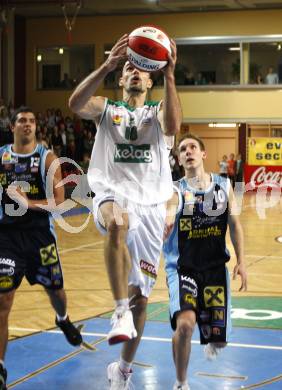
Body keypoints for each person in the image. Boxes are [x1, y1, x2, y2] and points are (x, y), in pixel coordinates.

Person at [69, 33, 182, 389]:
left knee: (143, 300)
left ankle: (122, 369)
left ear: (150, 78)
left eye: (140, 70)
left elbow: (174, 127)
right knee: (117, 222)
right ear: (121, 78)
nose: (134, 72)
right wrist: (107, 64)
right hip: (110, 193)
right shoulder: (106, 109)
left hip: (150, 206)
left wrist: (172, 75)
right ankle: (118, 312)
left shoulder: (158, 112)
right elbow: (75, 104)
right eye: (128, 69)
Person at [0, 106, 83, 390]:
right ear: (12, 126)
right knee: (3, 301)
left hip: (39, 237)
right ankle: (0, 368)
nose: (28, 124)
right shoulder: (1, 156)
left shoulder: (47, 158)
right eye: (22, 120)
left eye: (32, 121)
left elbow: (60, 202)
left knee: (55, 291)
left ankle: (62, 319)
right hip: (7, 237)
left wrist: (29, 204)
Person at [163, 134, 247, 390]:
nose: (187, 151)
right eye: (182, 149)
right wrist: (167, 219)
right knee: (186, 325)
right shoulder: (176, 190)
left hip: (214, 270)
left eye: (192, 147)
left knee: (219, 342)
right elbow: (169, 207)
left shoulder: (224, 185)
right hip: (183, 268)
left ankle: (208, 334)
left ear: (203, 154)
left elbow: (234, 224)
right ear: (178, 159)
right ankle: (181, 382)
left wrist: (242, 261)